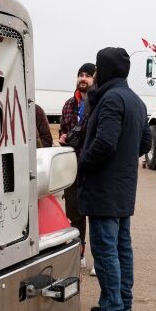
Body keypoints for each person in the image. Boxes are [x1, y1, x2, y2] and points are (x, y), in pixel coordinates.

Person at [77, 47, 151, 311]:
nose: (95, 73)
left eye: (97, 68)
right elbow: (144, 142)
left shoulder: (110, 99)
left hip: (104, 187)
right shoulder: (135, 100)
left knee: (105, 249)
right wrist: (124, 159)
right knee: (121, 246)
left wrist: (83, 163)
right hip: (123, 185)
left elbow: (105, 142)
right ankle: (122, 303)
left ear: (105, 69)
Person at [59, 63, 96, 269]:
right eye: (80, 75)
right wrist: (63, 136)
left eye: (88, 75)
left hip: (93, 166)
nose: (83, 79)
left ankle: (99, 260)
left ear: (94, 79)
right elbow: (63, 130)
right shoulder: (69, 104)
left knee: (97, 215)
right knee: (74, 214)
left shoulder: (99, 103)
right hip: (72, 166)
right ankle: (78, 253)